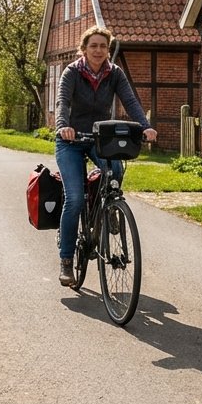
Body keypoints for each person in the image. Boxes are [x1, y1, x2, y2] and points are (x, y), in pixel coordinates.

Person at [54, 25, 156, 286]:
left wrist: (145, 127)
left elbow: (130, 101)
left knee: (116, 171)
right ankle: (67, 261)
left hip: (100, 139)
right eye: (93, 46)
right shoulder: (72, 72)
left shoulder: (115, 73)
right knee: (74, 199)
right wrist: (63, 125)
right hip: (71, 139)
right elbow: (62, 102)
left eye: (103, 46)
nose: (98, 51)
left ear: (108, 50)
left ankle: (108, 207)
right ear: (84, 49)